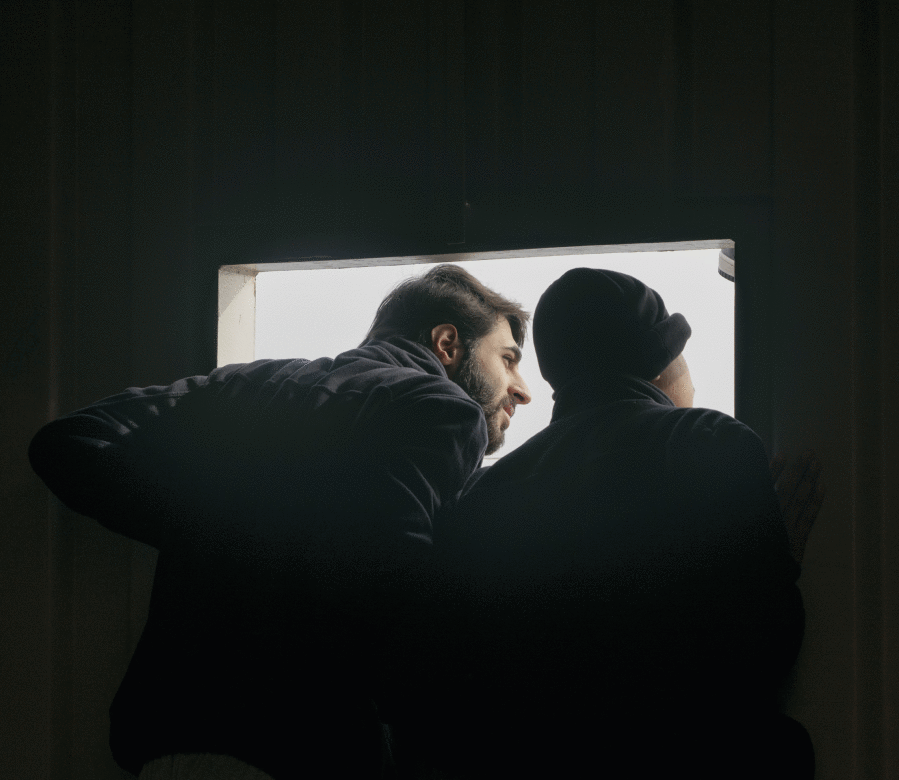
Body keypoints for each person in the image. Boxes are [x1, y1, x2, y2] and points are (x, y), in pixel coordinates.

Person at [28, 264, 532, 780]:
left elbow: (68, 441)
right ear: (447, 344)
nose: (522, 390)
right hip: (303, 742)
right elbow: (387, 589)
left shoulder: (240, 384)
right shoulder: (440, 408)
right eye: (509, 360)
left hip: (172, 739)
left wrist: (215, 523)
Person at [423, 267, 824, 779]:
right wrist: (780, 561)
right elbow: (761, 651)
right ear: (658, 363)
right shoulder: (711, 441)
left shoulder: (482, 493)